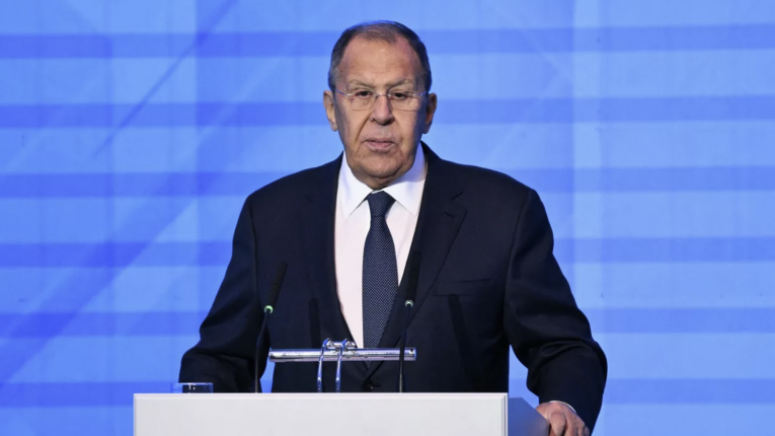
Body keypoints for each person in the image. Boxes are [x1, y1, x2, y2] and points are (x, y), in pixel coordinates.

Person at [180, 21, 606, 436]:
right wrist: (194, 412)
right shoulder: (272, 216)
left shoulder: (500, 212)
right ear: (331, 108)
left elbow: (564, 347)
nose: (381, 115)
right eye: (362, 93)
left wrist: (564, 404)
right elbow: (223, 358)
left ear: (429, 110)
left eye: (400, 94)